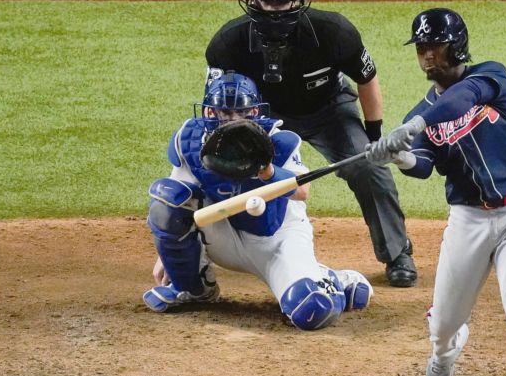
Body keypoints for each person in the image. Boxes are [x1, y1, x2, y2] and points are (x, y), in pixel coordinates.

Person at [367, 8, 506, 376]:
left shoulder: (490, 77)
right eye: (421, 48)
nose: (427, 54)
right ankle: (445, 349)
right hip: (468, 220)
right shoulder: (425, 110)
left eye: (435, 45)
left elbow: (460, 100)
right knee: (445, 322)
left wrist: (412, 125)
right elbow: (423, 166)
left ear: (457, 45)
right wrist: (396, 155)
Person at [204, 0, 418, 288]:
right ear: (252, 1)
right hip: (262, 118)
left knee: (368, 166)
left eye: (283, 2)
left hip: (329, 110)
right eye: (268, 2)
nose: (275, 10)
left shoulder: (333, 32)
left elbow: (367, 78)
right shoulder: (228, 42)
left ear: (298, 1)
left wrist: (372, 136)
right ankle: (211, 251)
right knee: (227, 166)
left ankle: (397, 252)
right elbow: (217, 101)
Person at [143, 71, 373, 330]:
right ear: (209, 113)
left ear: (255, 112)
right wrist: (169, 251)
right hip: (224, 235)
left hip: (276, 242)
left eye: (242, 112)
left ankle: (331, 279)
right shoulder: (190, 141)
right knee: (167, 199)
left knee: (310, 310)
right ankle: (193, 289)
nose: (233, 120)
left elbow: (302, 190)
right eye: (225, 113)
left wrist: (267, 171)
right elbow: (179, 199)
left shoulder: (277, 142)